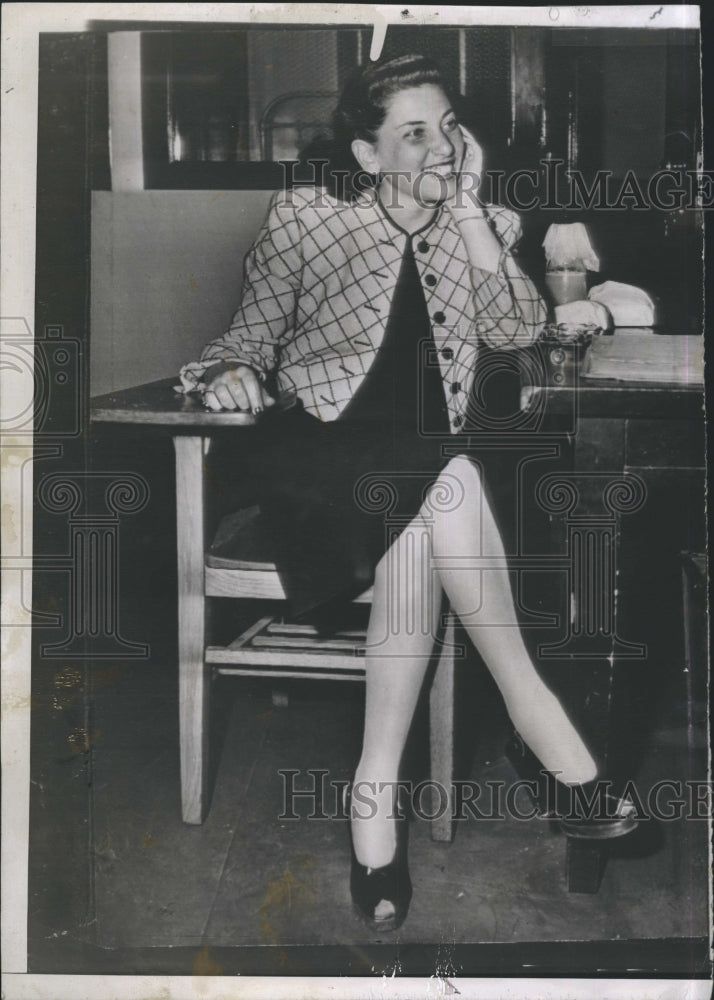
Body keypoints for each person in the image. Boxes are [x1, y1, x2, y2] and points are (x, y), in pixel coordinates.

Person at [179, 54, 634, 932]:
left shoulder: (485, 222)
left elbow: (520, 334)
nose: (438, 146)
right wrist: (233, 370)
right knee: (448, 483)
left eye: (449, 126)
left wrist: (466, 215)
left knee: (432, 505)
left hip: (423, 475)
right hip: (319, 461)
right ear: (366, 152)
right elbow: (249, 333)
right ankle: (552, 747)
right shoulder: (308, 218)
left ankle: (371, 808)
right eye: (413, 133)